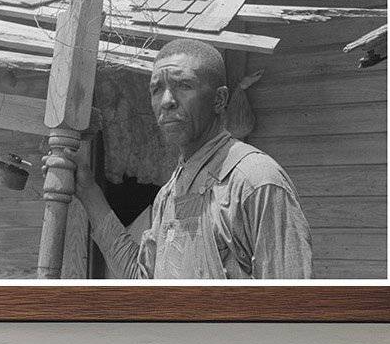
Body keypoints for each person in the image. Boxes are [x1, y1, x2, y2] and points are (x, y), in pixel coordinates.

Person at [45, 37, 313, 280]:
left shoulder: (255, 181)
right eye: (156, 89)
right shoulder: (169, 195)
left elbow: (292, 306)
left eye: (184, 85)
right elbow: (141, 281)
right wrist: (89, 192)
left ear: (219, 99)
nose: (167, 101)